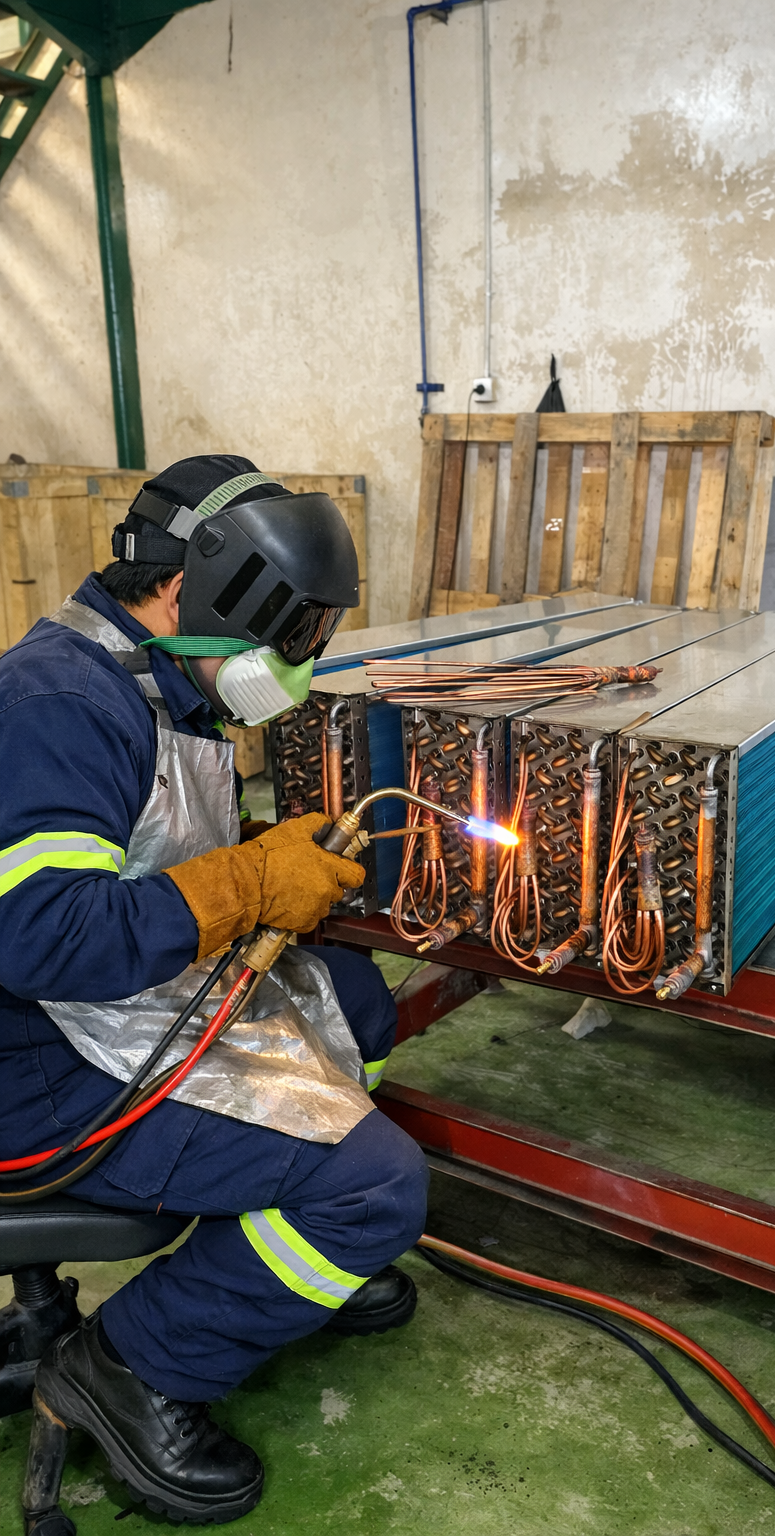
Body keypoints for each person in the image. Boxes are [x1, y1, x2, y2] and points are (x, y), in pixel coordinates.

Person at [0, 456, 428, 1527]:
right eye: (290, 638)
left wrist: (266, 871)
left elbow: (142, 860)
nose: (294, 666)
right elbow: (44, 936)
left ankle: (276, 1260)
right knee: (378, 1185)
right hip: (39, 1067)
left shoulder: (159, 680)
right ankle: (133, 1368)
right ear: (195, 592)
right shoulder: (60, 703)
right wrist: (247, 881)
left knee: (357, 1001)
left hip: (113, 1009)